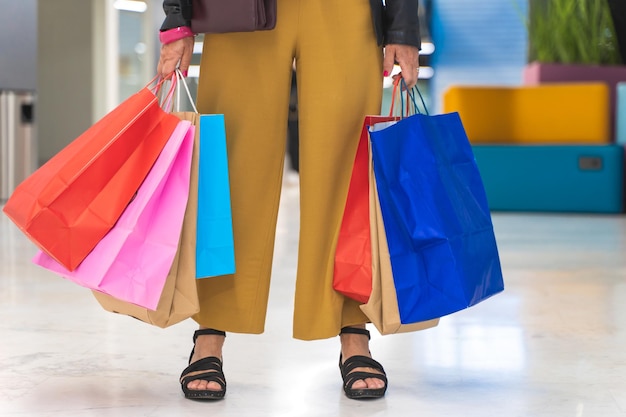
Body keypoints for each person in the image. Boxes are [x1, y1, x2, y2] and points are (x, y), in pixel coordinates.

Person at [157, 0, 421, 401]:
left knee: (345, 167)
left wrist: (401, 27)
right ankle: (209, 330)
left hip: (344, 12)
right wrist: (178, 15)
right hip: (238, 8)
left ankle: (353, 329)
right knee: (230, 166)